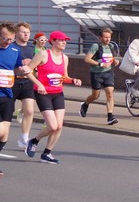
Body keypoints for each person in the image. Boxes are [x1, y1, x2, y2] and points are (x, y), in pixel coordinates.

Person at [25, 30, 83, 164]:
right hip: (43, 93)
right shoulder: (43, 54)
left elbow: (64, 77)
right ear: (53, 41)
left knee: (59, 126)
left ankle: (47, 153)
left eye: (65, 41)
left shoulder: (65, 58)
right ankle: (34, 141)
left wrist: (73, 80)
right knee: (52, 126)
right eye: (61, 40)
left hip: (58, 93)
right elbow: (28, 71)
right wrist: (39, 84)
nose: (64, 43)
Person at [12, 23, 38, 149]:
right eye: (23, 32)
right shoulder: (11, 47)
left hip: (27, 83)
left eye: (28, 32)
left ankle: (24, 138)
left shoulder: (32, 48)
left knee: (29, 110)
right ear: (16, 33)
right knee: (6, 112)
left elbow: (36, 65)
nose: (26, 34)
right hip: (12, 83)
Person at [0, 22, 20, 176]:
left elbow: (17, 69)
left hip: (7, 95)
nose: (8, 41)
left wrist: (24, 68)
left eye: (11, 39)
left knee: (5, 133)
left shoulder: (15, 50)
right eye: (4, 38)